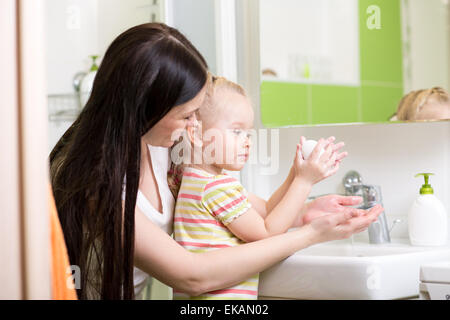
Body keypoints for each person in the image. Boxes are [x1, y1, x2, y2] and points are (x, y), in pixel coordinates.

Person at [49, 22, 382, 300]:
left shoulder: (165, 149)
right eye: (186, 115)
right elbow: (192, 276)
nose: (195, 125)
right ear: (146, 106)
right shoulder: (96, 182)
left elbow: (257, 213)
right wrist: (311, 234)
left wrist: (304, 207)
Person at [171, 76, 353, 299]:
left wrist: (294, 175)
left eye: (249, 133)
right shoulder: (216, 188)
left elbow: (267, 211)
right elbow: (267, 233)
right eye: (237, 131)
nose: (248, 141)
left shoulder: (197, 180)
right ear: (196, 134)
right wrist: (304, 182)